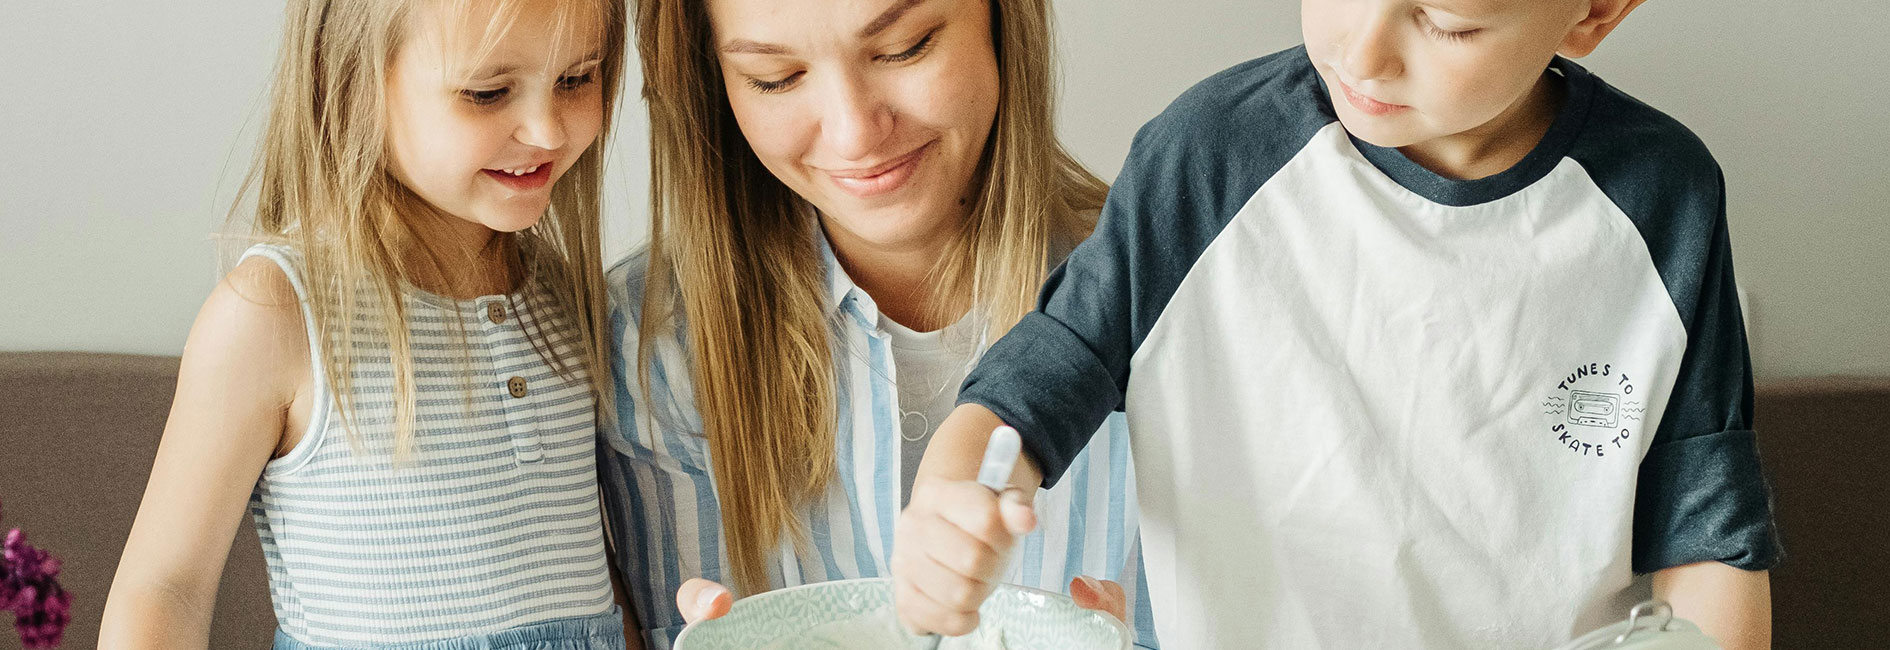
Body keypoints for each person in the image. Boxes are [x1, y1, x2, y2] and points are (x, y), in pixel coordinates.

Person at [894, 0, 1782, 648]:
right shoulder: (1209, 157)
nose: (1362, 50)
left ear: (1594, 11)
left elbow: (1710, 542)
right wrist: (951, 498)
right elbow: (1042, 378)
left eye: (1446, 21)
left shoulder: (1665, 198)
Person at [598, 0, 1151, 646]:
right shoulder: (655, 341)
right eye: (775, 79)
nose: (856, 133)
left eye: (905, 47)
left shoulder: (1178, 299)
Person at [100, 0, 632, 646]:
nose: (548, 130)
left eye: (576, 79)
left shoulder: (567, 303)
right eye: (488, 92)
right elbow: (166, 589)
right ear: (349, 79)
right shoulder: (276, 313)